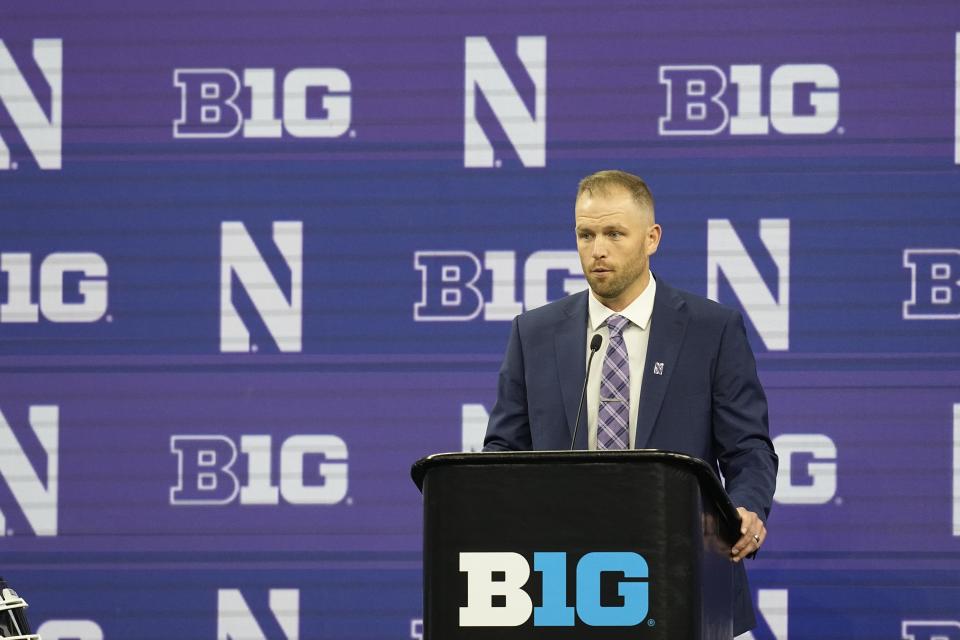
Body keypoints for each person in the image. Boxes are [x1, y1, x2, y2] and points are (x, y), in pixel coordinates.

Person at [483, 169, 778, 636]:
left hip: (686, 578)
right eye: (586, 234)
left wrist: (746, 508)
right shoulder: (533, 334)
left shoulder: (710, 330)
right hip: (565, 587)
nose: (597, 249)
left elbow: (748, 449)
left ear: (651, 238)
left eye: (615, 233)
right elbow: (502, 453)